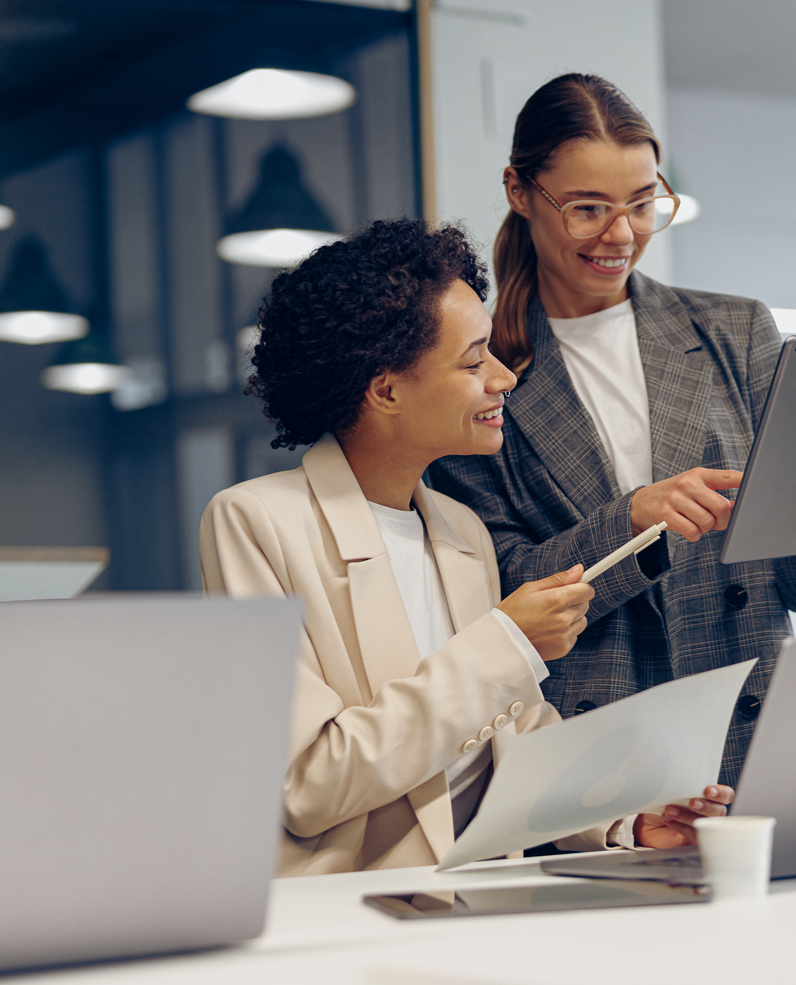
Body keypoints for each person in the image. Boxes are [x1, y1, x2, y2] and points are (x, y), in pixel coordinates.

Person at [199, 219, 731, 876]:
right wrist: (508, 642)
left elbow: (507, 743)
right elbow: (310, 787)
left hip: (477, 899)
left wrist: (626, 818)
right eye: (474, 359)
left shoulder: (461, 531)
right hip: (347, 916)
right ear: (387, 389)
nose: (505, 377)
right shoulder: (255, 522)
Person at [428, 74, 796, 790]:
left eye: (644, 204)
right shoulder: (479, 369)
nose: (622, 235)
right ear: (520, 192)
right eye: (587, 209)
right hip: (594, 754)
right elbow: (494, 590)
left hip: (751, 726)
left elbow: (791, 579)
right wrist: (632, 521)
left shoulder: (736, 332)